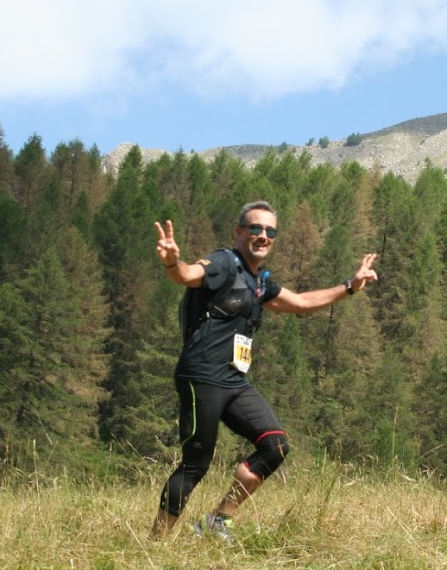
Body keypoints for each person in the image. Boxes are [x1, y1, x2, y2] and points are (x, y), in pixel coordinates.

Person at [151, 200, 378, 541]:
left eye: (270, 231)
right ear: (240, 231)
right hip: (201, 376)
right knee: (196, 464)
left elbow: (300, 302)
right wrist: (171, 260)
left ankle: (217, 520)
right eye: (255, 229)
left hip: (233, 379)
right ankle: (156, 544)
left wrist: (350, 287)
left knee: (275, 447)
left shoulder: (259, 282)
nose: (263, 236)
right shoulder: (224, 263)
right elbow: (186, 275)